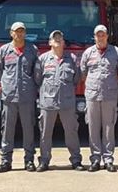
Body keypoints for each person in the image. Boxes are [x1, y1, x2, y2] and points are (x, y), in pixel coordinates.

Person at [34, 30, 85, 172]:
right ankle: (44, 161)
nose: (57, 40)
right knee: (45, 133)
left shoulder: (72, 59)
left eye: (60, 38)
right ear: (49, 42)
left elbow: (76, 79)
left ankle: (76, 160)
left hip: (67, 103)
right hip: (48, 103)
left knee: (71, 132)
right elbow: (37, 80)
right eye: (54, 39)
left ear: (63, 42)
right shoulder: (42, 59)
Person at [0, 21, 39, 173]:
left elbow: (36, 73)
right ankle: (6, 161)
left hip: (27, 96)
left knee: (28, 129)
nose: (19, 34)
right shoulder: (3, 51)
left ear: (25, 33)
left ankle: (29, 160)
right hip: (9, 97)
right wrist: (7, 86)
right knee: (7, 130)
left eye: (22, 31)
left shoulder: (32, 50)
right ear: (11, 33)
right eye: (16, 31)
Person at [80, 24, 118, 172]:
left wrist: (108, 84)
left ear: (107, 36)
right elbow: (83, 73)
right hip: (92, 95)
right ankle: (95, 159)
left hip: (109, 95)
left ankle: (109, 159)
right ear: (94, 36)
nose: (100, 37)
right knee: (92, 127)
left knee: (109, 128)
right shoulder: (88, 53)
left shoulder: (116, 52)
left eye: (103, 34)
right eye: (98, 35)